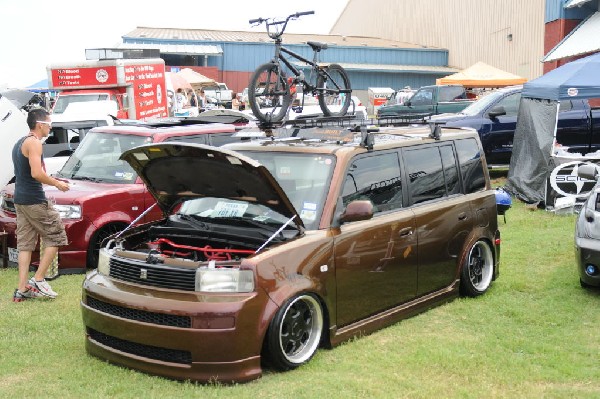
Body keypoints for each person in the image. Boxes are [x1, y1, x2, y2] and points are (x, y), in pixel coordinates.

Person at [11, 108, 70, 302]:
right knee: (57, 235)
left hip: (20, 200)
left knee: (25, 245)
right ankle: (38, 279)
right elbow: (36, 173)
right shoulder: (34, 143)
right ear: (40, 124)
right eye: (49, 124)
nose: (51, 127)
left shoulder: (19, 143)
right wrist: (58, 183)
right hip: (34, 200)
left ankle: (22, 290)